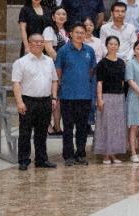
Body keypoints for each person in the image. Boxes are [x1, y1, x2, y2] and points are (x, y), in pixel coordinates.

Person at [11, 33, 58, 170]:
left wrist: (54, 97)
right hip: (28, 101)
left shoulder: (49, 61)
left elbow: (54, 80)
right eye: (35, 41)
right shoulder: (21, 62)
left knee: (42, 132)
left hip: (45, 101)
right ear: (29, 43)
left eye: (41, 41)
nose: (39, 44)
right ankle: (24, 160)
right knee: (25, 132)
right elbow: (16, 84)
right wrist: (19, 102)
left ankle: (41, 160)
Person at [55, 23, 96, 166]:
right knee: (68, 128)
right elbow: (58, 72)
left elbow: (91, 71)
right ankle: (68, 156)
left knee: (82, 128)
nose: (79, 35)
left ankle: (81, 154)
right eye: (77, 32)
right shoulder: (63, 51)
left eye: (82, 32)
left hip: (84, 95)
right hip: (67, 96)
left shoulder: (89, 51)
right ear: (71, 34)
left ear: (85, 34)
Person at [94, 37, 127, 164]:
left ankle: (114, 153)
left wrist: (122, 95)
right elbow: (99, 82)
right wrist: (100, 99)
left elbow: (122, 82)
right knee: (105, 125)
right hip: (106, 96)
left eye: (115, 44)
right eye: (110, 44)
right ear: (106, 46)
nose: (113, 46)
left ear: (118, 46)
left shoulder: (121, 63)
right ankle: (106, 154)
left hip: (119, 96)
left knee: (117, 126)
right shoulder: (102, 63)